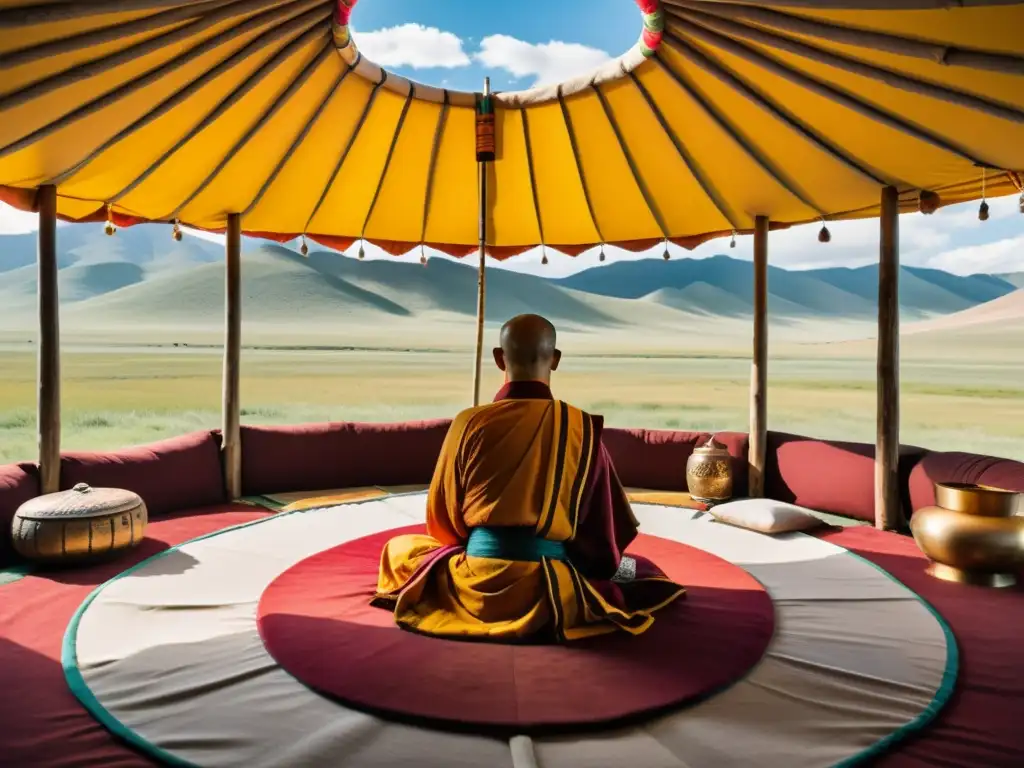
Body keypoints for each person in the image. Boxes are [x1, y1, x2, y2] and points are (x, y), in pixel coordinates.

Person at [373, 314, 684, 642]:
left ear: (498, 357)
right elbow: (601, 534)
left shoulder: (467, 423)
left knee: (399, 551)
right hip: (553, 589)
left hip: (472, 583)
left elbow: (441, 521)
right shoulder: (579, 428)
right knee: (641, 571)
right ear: (556, 359)